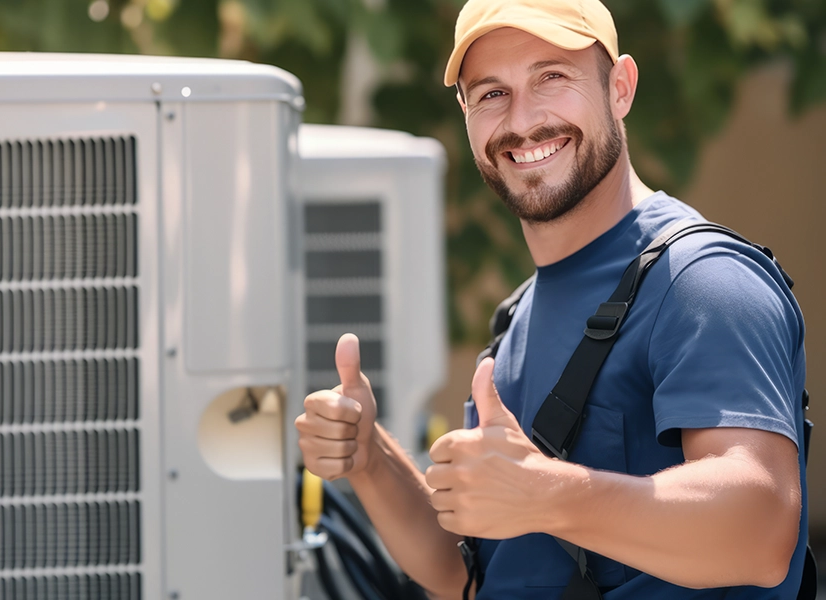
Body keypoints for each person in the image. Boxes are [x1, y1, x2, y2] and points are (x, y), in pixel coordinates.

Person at [294, 0, 809, 597]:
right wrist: (369, 458)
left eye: (552, 77)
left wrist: (544, 493)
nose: (522, 119)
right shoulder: (517, 321)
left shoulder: (702, 282)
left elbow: (761, 530)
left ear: (620, 88)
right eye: (491, 93)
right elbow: (473, 576)